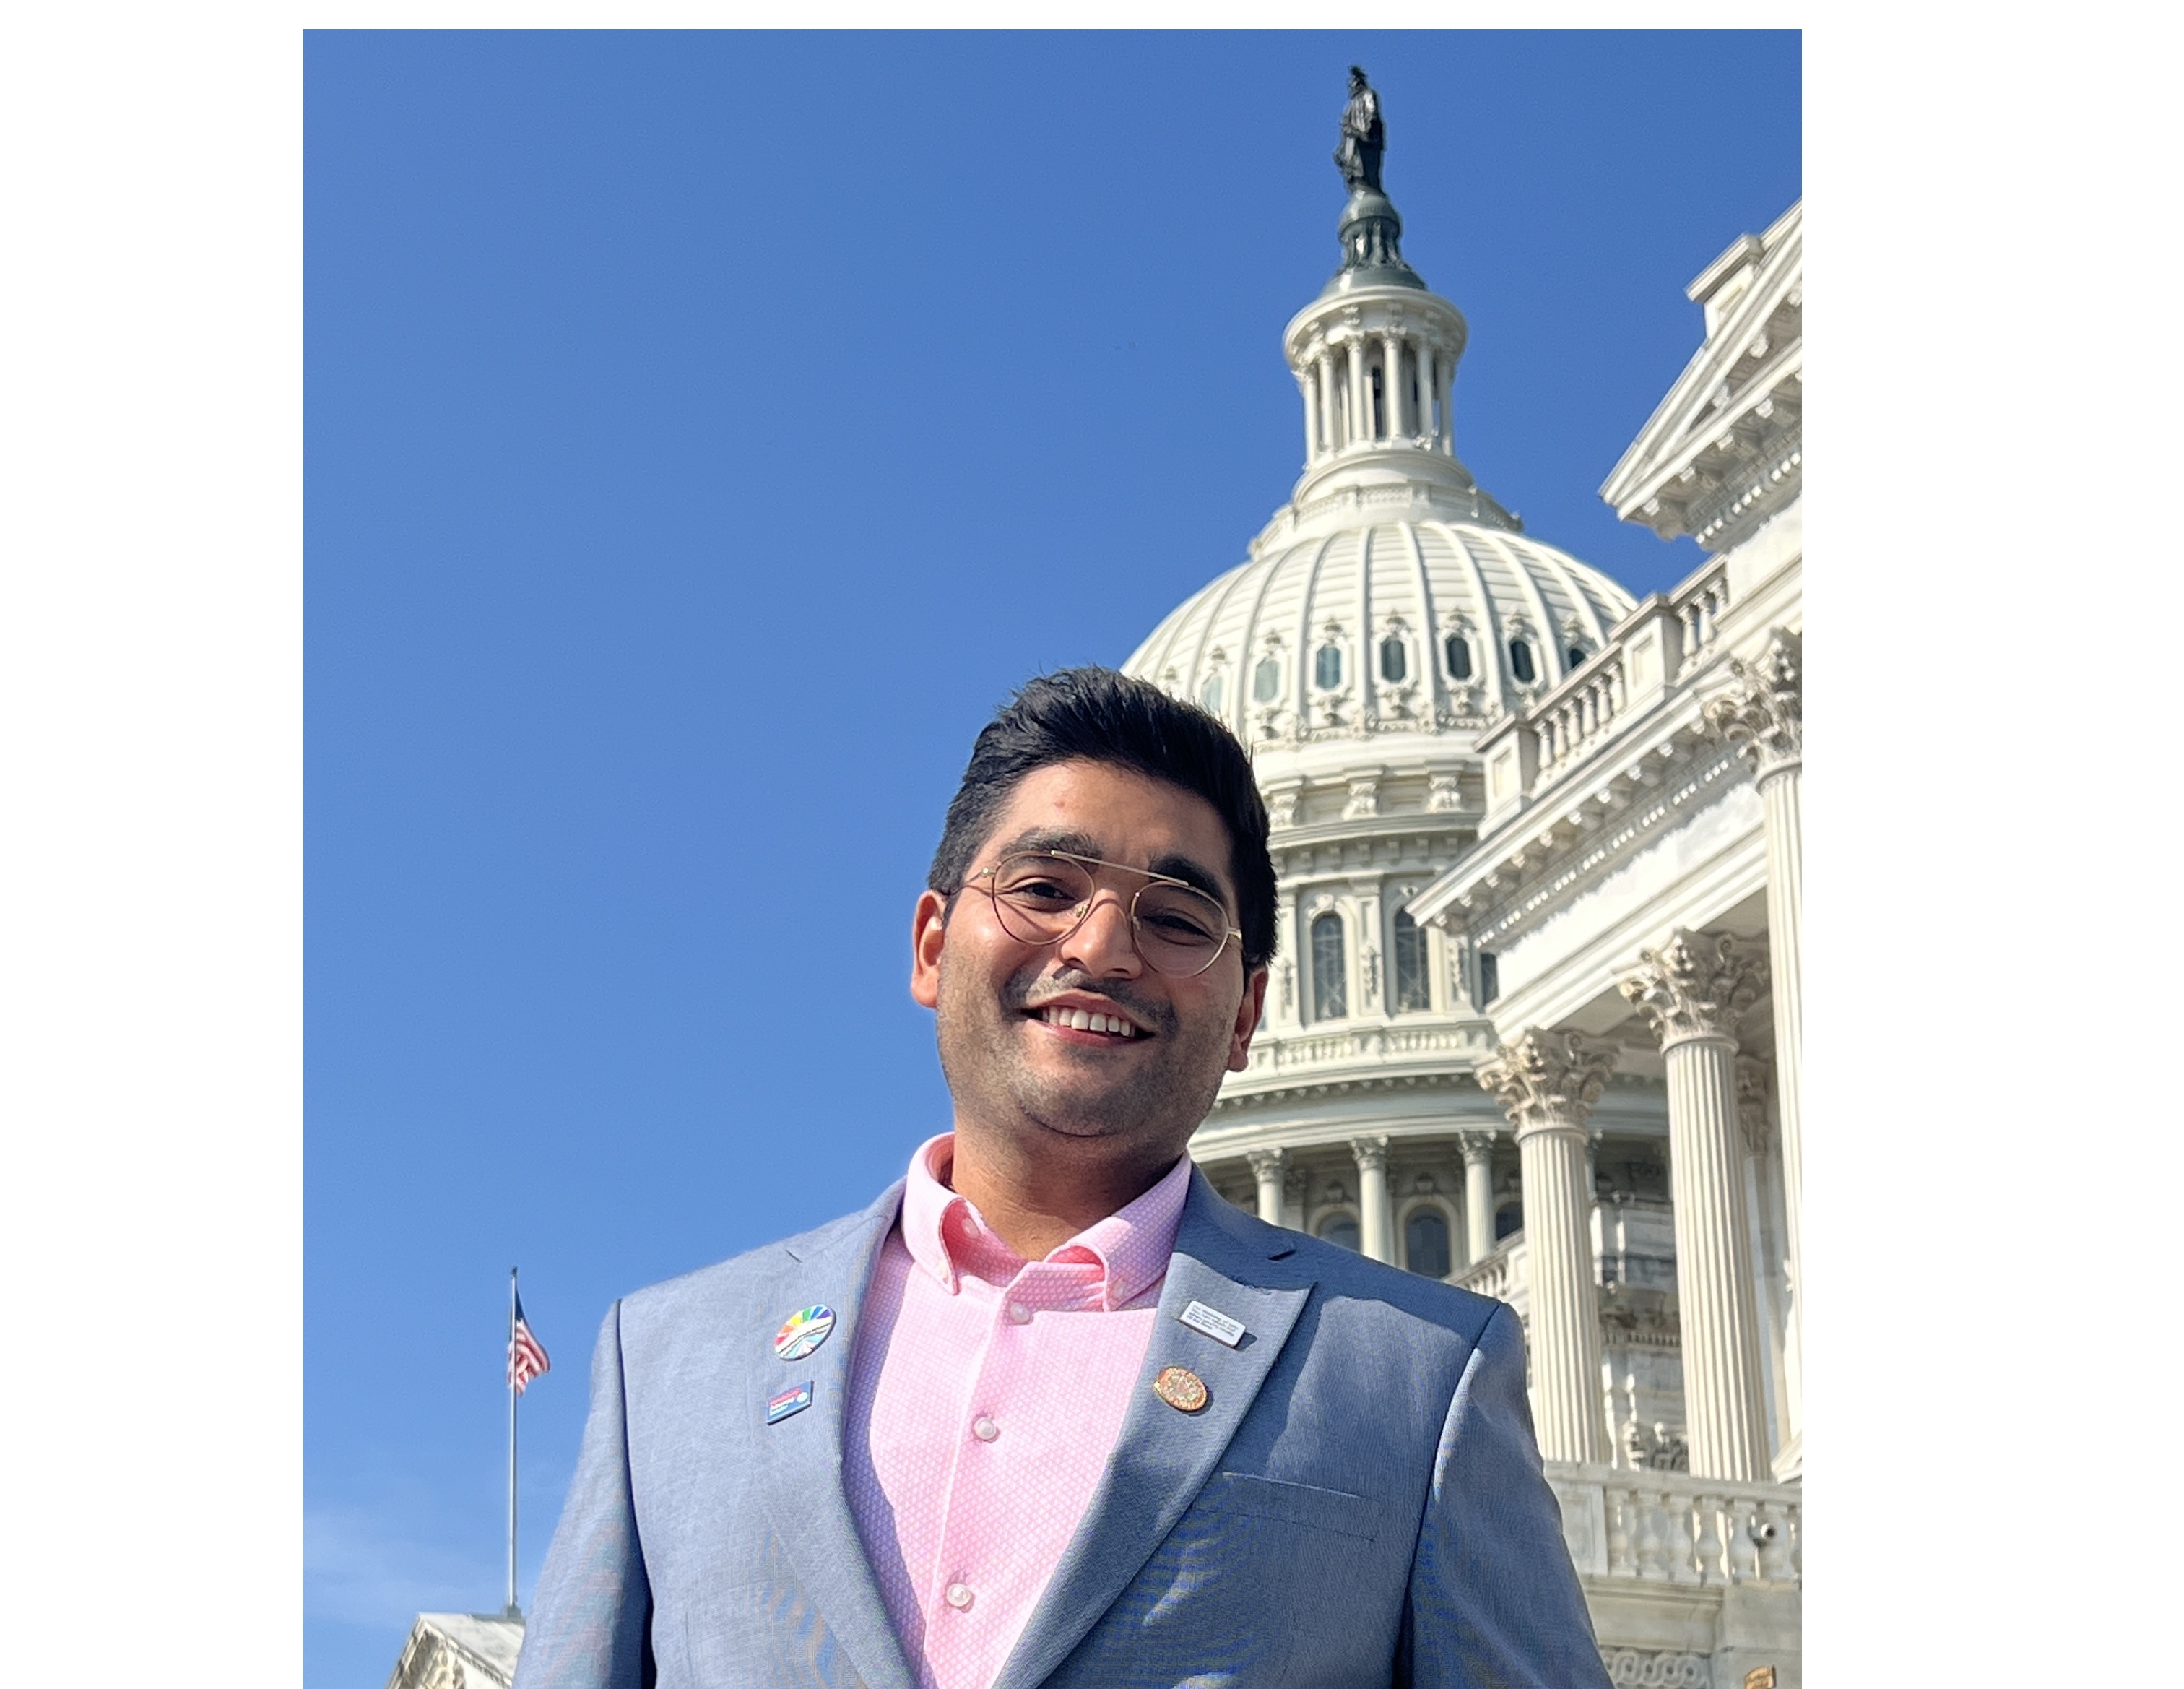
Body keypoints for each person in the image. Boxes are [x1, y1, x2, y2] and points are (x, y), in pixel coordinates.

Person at [514, 667, 1611, 1689]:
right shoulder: (667, 1360)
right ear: (932, 945)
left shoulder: (1422, 1376)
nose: (1101, 947)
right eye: (1045, 886)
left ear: (1247, 1012)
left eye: (1174, 918)